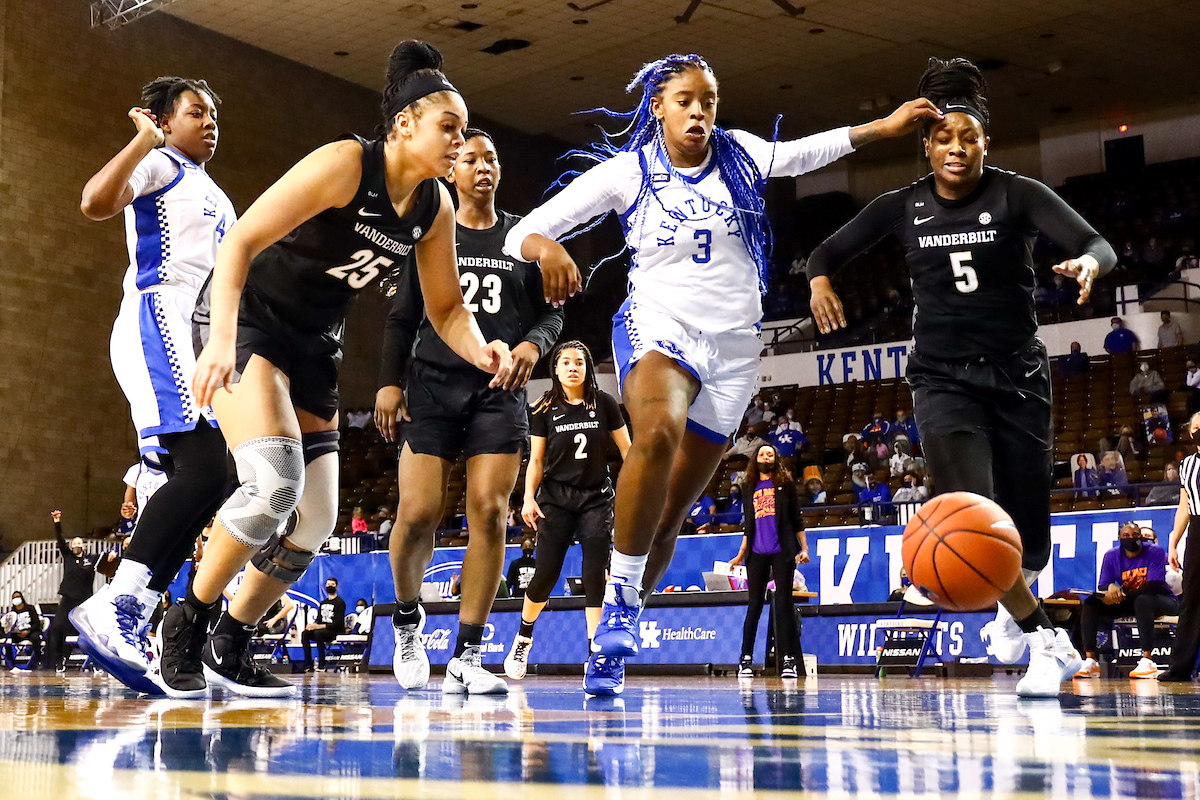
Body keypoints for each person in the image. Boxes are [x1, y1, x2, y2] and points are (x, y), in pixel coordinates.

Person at [503, 52, 934, 695]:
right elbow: (526, 234)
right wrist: (550, 249)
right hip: (659, 326)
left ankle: (612, 648)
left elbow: (805, 154)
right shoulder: (630, 173)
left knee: (672, 510)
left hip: (734, 352)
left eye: (708, 100)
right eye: (685, 100)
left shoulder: (742, 155)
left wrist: (883, 128)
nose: (700, 111)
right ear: (659, 108)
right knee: (656, 433)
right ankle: (617, 601)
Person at [157, 40, 513, 699]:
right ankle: (185, 620)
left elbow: (447, 309)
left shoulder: (434, 208)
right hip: (250, 314)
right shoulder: (347, 163)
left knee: (316, 518)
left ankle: (229, 641)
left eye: (466, 133)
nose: (460, 144)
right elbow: (239, 242)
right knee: (273, 481)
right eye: (450, 129)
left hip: (315, 342)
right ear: (405, 124)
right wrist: (221, 338)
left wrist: (482, 348)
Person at [806, 57, 1117, 697]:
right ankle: (1047, 643)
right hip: (942, 380)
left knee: (1028, 539)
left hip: (1019, 375)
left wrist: (1087, 263)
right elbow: (824, 252)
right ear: (925, 145)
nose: (955, 148)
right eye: (943, 137)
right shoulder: (902, 206)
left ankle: (1013, 607)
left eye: (967, 137)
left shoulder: (1017, 193)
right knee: (975, 508)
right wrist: (818, 282)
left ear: (984, 142)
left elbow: (1099, 244)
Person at [374, 127, 560, 696]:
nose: (482, 166)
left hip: (498, 391)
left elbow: (553, 319)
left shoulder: (523, 238)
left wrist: (531, 346)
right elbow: (402, 317)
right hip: (430, 385)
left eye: (491, 158)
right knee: (418, 513)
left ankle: (469, 653)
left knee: (489, 510)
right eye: (470, 158)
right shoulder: (431, 235)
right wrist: (386, 383)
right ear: (450, 172)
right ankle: (408, 619)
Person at [72, 76, 236, 697]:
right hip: (155, 319)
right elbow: (94, 201)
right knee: (202, 470)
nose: (211, 121)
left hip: (192, 339)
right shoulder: (160, 164)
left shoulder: (215, 192)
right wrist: (141, 141)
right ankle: (118, 601)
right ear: (164, 122)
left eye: (214, 113)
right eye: (197, 112)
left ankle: (135, 608)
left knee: (210, 478)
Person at [503, 342, 631, 693]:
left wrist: (634, 494)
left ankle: (595, 652)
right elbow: (537, 459)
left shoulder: (604, 403)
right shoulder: (543, 407)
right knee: (546, 573)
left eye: (579, 362)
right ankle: (524, 638)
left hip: (595, 497)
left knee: (594, 572)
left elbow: (628, 451)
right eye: (565, 362)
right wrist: (528, 497)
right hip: (555, 499)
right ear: (555, 370)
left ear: (588, 368)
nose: (572, 367)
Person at [728, 444, 808, 679]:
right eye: (762, 454)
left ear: (776, 459)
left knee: (783, 605)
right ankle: (745, 659)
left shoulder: (785, 484)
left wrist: (804, 547)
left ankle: (788, 661)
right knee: (754, 606)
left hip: (782, 552)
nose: (766, 458)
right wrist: (741, 553)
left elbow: (797, 518)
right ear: (756, 458)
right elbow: (749, 524)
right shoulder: (749, 486)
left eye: (770, 455)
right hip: (756, 553)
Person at [1076, 523, 1177, 680]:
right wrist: (1110, 588)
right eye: (1127, 536)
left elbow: (1153, 585)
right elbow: (1103, 584)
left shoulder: (1154, 551)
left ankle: (1147, 660)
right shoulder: (1111, 555)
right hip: (1131, 600)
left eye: (1135, 535)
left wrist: (1121, 596)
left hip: (1161, 599)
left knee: (1143, 600)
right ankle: (1091, 660)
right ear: (1119, 538)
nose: (1132, 539)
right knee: (1091, 603)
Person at [1165, 412, 1200, 681]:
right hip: (1197, 531)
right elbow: (1184, 505)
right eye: (1196, 427)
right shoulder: (1186, 465)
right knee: (1191, 600)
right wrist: (1174, 540)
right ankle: (1180, 668)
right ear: (1190, 433)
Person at [45, 510, 102, 674]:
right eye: (73, 543)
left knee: (91, 631)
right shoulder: (68, 556)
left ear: (84, 546)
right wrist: (57, 522)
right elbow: (60, 539)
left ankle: (96, 663)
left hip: (85, 601)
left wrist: (112, 557)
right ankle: (59, 661)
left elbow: (107, 563)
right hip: (68, 599)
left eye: (79, 543)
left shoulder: (91, 559)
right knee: (57, 628)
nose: (76, 545)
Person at [302, 577, 346, 671]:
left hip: (334, 631)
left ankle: (322, 664)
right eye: (328, 585)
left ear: (336, 587)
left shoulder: (340, 603)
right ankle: (308, 664)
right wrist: (311, 626)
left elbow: (338, 623)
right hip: (322, 630)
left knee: (319, 633)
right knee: (305, 633)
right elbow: (319, 619)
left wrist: (318, 627)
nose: (330, 586)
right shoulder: (323, 603)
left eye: (332, 585)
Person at [3, 592, 43, 671]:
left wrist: (28, 631)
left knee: (35, 638)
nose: (16, 599)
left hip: (31, 631)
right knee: (8, 640)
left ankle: (37, 660)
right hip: (18, 634)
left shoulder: (30, 608)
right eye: (14, 597)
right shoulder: (12, 612)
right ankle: (10, 663)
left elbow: (36, 623)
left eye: (17, 596)